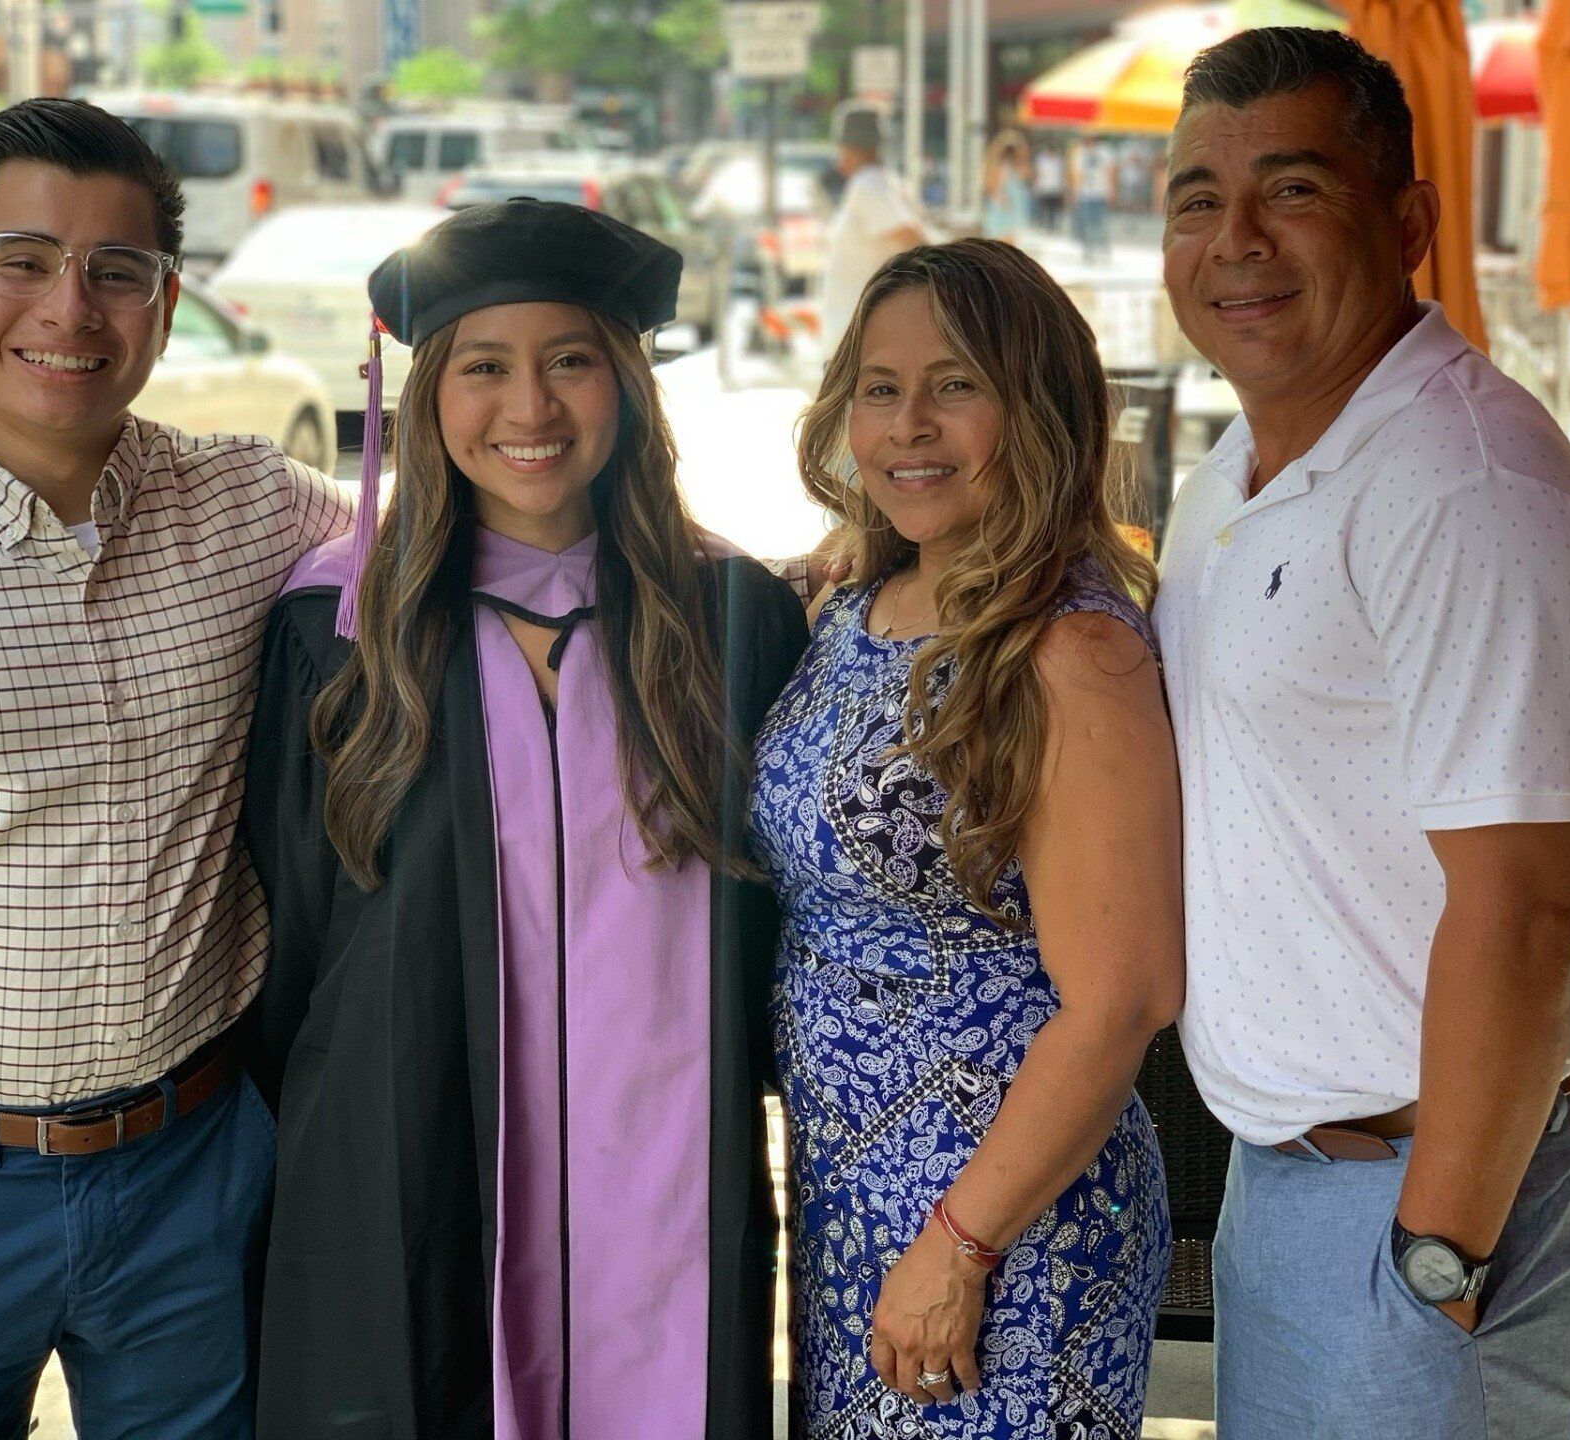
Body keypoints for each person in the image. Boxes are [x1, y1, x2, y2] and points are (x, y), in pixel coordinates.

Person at [0, 98, 351, 1439]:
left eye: (119, 270)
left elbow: (478, 537)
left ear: (166, 304)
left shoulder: (255, 507)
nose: (71, 307)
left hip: (194, 1172)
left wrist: (755, 574)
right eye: (25, 260)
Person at [1152, 30, 1570, 1438]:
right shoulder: (1249, 463)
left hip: (1441, 1193)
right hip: (1307, 1171)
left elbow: (1528, 904)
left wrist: (1437, 1258)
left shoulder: (1462, 485)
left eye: (1294, 189)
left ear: (1412, 224)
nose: (1235, 240)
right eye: (1196, 199)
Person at [242, 198, 807, 1440]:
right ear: (427, 396)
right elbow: (293, 943)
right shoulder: (337, 635)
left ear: (629, 385)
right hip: (407, 1163)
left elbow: (778, 923)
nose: (531, 409)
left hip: (670, 1188)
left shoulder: (730, 618)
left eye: (572, 360)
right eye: (485, 367)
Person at [751, 238, 1180, 1435]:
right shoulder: (864, 596)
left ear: (1034, 408)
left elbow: (1125, 996)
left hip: (1006, 1228)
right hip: (854, 1195)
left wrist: (960, 1247)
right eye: (880, 390)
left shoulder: (1070, 649)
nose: (908, 426)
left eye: (956, 386)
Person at [820, 103, 928, 357]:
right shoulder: (884, 182)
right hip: (868, 341)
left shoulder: (869, 185)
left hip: (862, 346)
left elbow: (911, 239)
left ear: (850, 147)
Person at [978, 132, 1032, 244]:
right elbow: (992, 186)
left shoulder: (1013, 168)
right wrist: (999, 198)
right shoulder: (1001, 167)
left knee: (1007, 240)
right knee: (1001, 241)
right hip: (1003, 208)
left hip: (1009, 208)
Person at [1070, 136, 1113, 263]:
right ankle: (1089, 250)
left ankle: (1101, 248)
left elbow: (1109, 171)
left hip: (1100, 192)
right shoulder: (1079, 153)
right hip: (1084, 194)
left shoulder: (1104, 151)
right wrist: (1074, 192)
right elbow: (1075, 174)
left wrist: (1111, 189)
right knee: (1086, 223)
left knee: (1099, 223)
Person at [1031, 142, 1066, 232]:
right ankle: (1042, 223)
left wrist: (1063, 188)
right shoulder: (1041, 159)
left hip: (1055, 188)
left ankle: (1051, 226)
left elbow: (1061, 175)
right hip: (1043, 187)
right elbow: (1036, 172)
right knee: (1043, 208)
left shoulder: (1059, 160)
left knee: (1053, 209)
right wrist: (1035, 185)